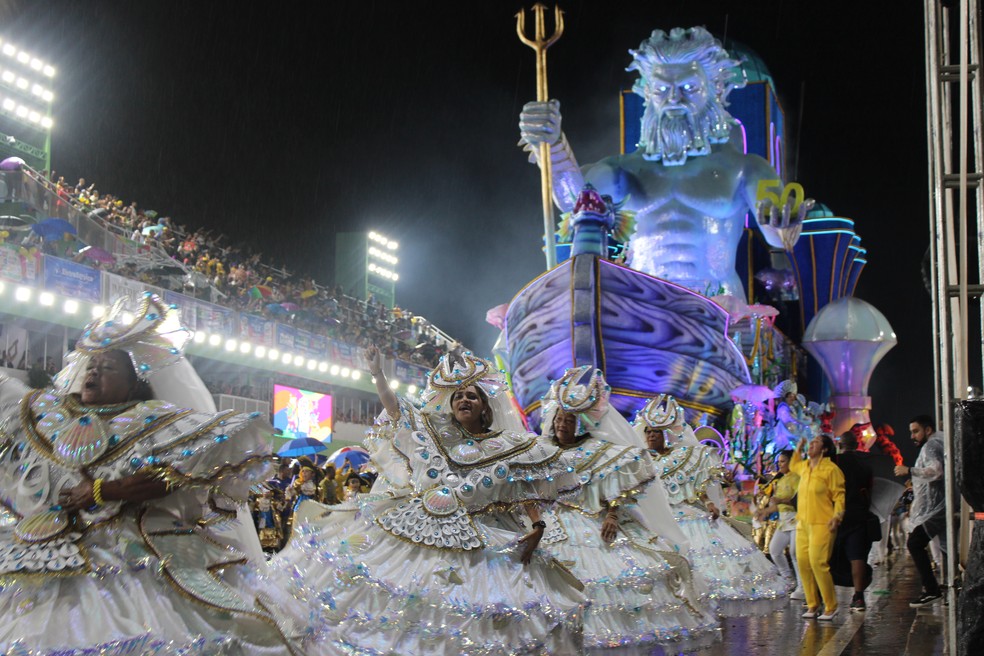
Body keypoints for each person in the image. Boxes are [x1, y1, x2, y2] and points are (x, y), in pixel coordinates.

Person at [0, 294, 304, 655]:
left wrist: (100, 491)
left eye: (108, 367)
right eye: (92, 365)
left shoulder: (156, 418)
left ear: (134, 383)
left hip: (125, 551)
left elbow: (170, 477)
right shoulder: (50, 411)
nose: (94, 371)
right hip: (41, 545)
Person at [267, 346, 585, 654]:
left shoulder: (507, 445)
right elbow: (395, 409)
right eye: (458, 395)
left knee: (463, 615)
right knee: (393, 602)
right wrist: (378, 374)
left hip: (476, 541)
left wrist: (538, 525)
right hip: (415, 530)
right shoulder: (431, 431)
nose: (464, 399)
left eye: (471, 395)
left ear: (484, 406)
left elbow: (523, 488)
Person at [519, 26, 810, 300]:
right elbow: (576, 202)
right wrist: (553, 146)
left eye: (689, 88)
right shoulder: (624, 170)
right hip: (643, 310)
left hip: (719, 310)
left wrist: (784, 224)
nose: (674, 98)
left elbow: (778, 236)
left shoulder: (746, 168)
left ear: (716, 89)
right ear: (647, 94)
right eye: (661, 90)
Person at [535, 367, 720, 652]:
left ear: (581, 424)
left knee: (602, 584)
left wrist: (611, 515)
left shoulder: (597, 450)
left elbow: (614, 485)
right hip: (549, 524)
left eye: (569, 420)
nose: (561, 424)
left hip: (589, 521)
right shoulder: (541, 450)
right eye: (559, 418)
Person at [634, 394, 791, 615]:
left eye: (656, 432)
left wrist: (709, 503)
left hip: (685, 516)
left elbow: (696, 486)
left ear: (666, 435)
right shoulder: (640, 460)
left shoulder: (684, 457)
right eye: (648, 432)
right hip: (657, 519)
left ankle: (700, 610)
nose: (651, 436)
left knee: (701, 566)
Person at [894, 414, 948, 607]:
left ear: (928, 430)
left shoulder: (931, 446)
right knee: (946, 548)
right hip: (939, 507)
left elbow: (936, 471)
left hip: (937, 509)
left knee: (915, 543)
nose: (912, 436)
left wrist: (909, 470)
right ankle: (949, 586)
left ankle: (932, 589)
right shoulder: (935, 444)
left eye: (916, 431)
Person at [791, 434, 846, 621]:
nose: (811, 445)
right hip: (803, 523)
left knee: (818, 562)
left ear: (824, 449)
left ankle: (831, 606)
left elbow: (839, 495)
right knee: (803, 562)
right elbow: (792, 465)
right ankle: (812, 604)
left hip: (823, 523)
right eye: (811, 442)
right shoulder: (805, 467)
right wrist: (798, 448)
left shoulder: (831, 469)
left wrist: (838, 515)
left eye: (816, 443)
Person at [832, 430, 875, 612]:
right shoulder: (864, 464)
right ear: (856, 445)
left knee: (826, 556)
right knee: (857, 556)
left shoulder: (833, 463)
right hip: (859, 514)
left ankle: (822, 596)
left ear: (839, 445)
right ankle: (859, 596)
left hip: (835, 515)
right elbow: (869, 491)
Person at [755, 450, 805, 600]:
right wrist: (765, 511)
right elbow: (777, 503)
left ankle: (803, 588)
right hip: (784, 521)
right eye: (779, 461)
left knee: (796, 554)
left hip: (797, 519)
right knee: (774, 550)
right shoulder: (781, 479)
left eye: (783, 461)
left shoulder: (798, 478)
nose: (780, 464)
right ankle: (788, 580)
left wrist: (780, 501)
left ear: (791, 462)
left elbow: (799, 500)